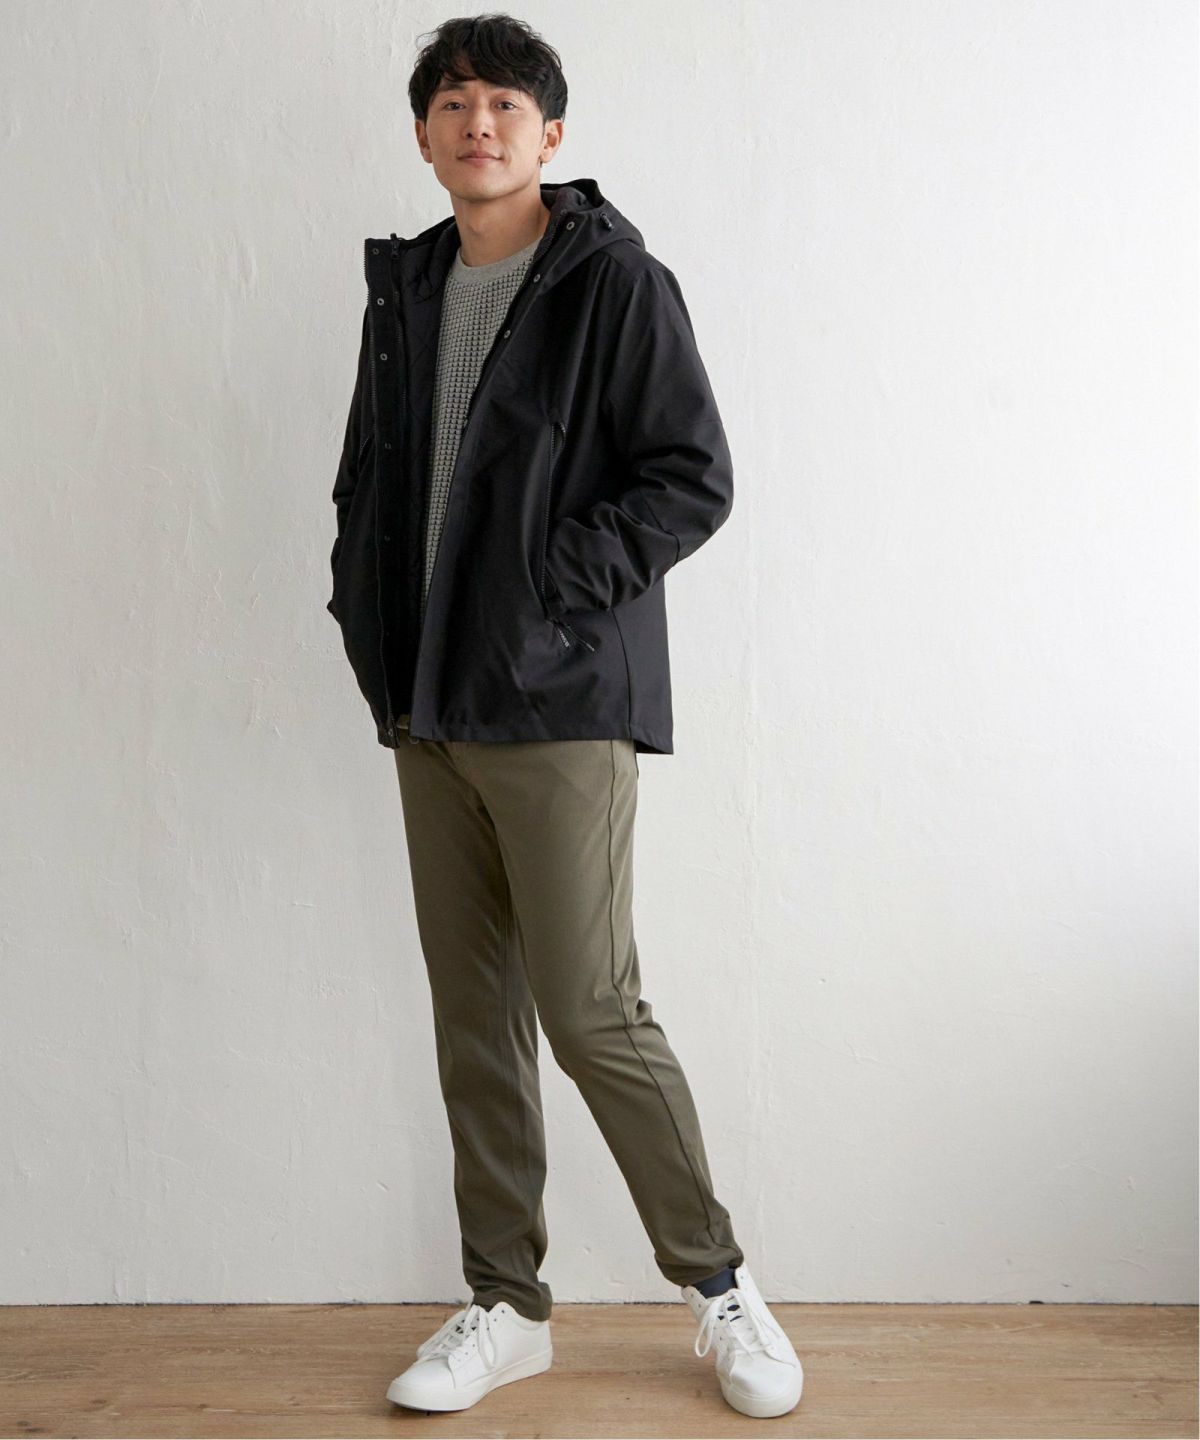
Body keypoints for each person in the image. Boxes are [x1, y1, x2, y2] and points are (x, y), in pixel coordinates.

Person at [325, 12, 802, 1421]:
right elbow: (370, 478)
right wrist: (366, 615)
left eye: (504, 103)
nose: (478, 123)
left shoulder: (614, 282)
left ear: (550, 133)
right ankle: (506, 1304)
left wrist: (547, 589)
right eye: (453, 103)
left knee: (590, 1008)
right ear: (425, 134)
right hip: (427, 709)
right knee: (474, 1015)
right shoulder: (408, 288)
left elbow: (690, 477)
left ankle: (718, 1284)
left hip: (556, 702)